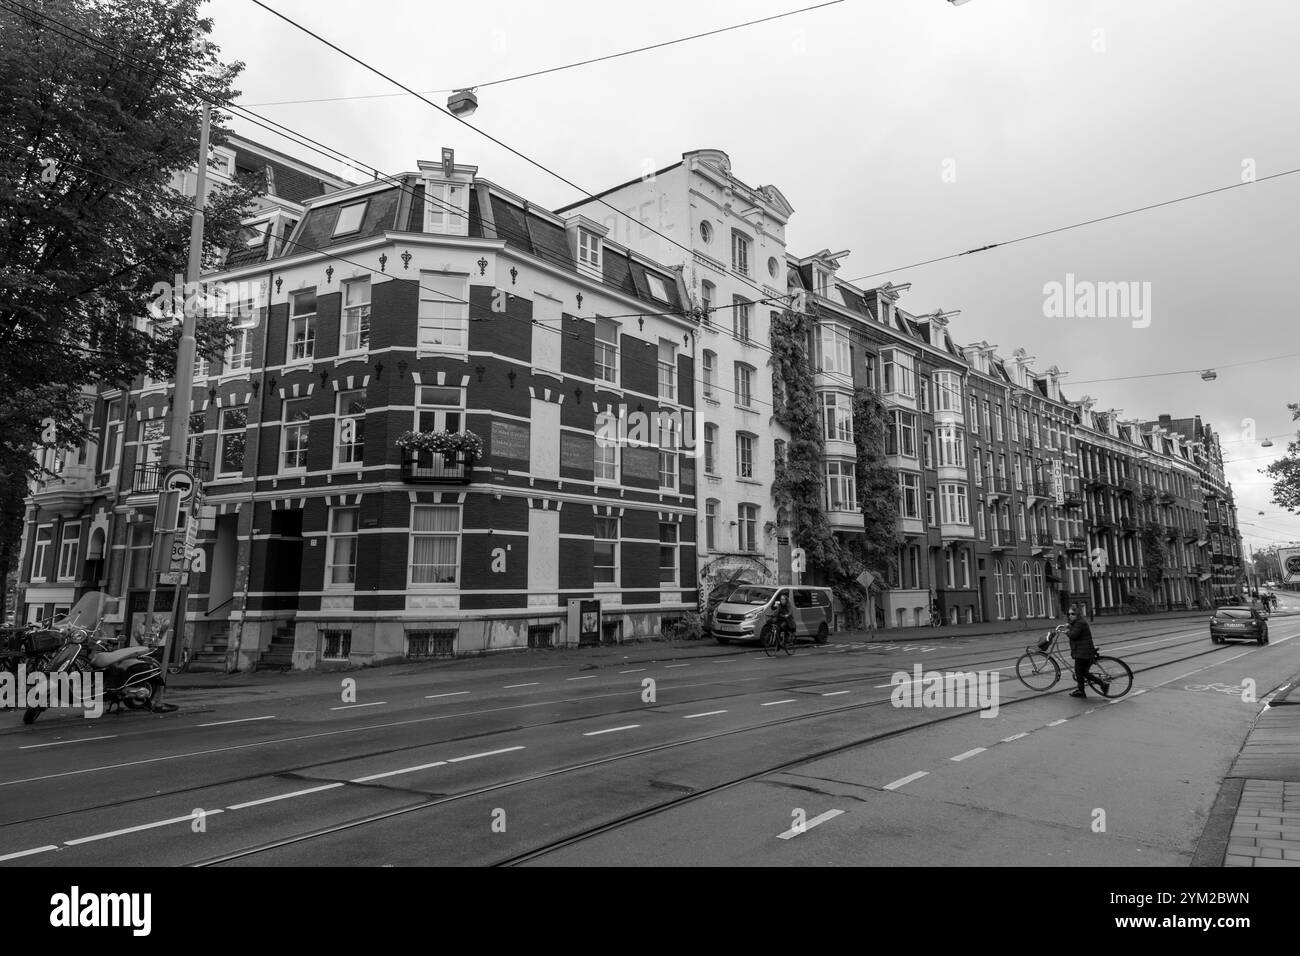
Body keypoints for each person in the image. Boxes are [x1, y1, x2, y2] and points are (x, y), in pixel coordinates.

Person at [1062, 603, 1101, 698]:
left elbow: (1074, 635)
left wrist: (1067, 631)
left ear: (1078, 614)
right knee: (1082, 672)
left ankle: (1098, 685)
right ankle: (1084, 689)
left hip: (1083, 652)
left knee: (1080, 672)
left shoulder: (1080, 623)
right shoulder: (1077, 622)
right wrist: (1068, 625)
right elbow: (1074, 627)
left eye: (1073, 614)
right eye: (1069, 614)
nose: (1070, 616)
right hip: (1082, 650)